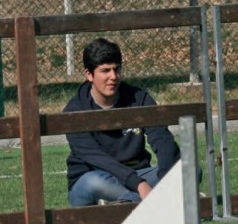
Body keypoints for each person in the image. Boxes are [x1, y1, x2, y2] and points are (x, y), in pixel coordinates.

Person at [65, 37, 181, 206]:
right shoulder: (74, 110)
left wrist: (167, 178)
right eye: (105, 71)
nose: (113, 76)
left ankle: (126, 202)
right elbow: (97, 158)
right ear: (89, 74)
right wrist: (139, 184)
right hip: (98, 177)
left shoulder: (139, 98)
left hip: (139, 173)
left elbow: (162, 139)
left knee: (187, 169)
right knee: (92, 182)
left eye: (116, 69)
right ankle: (163, 199)